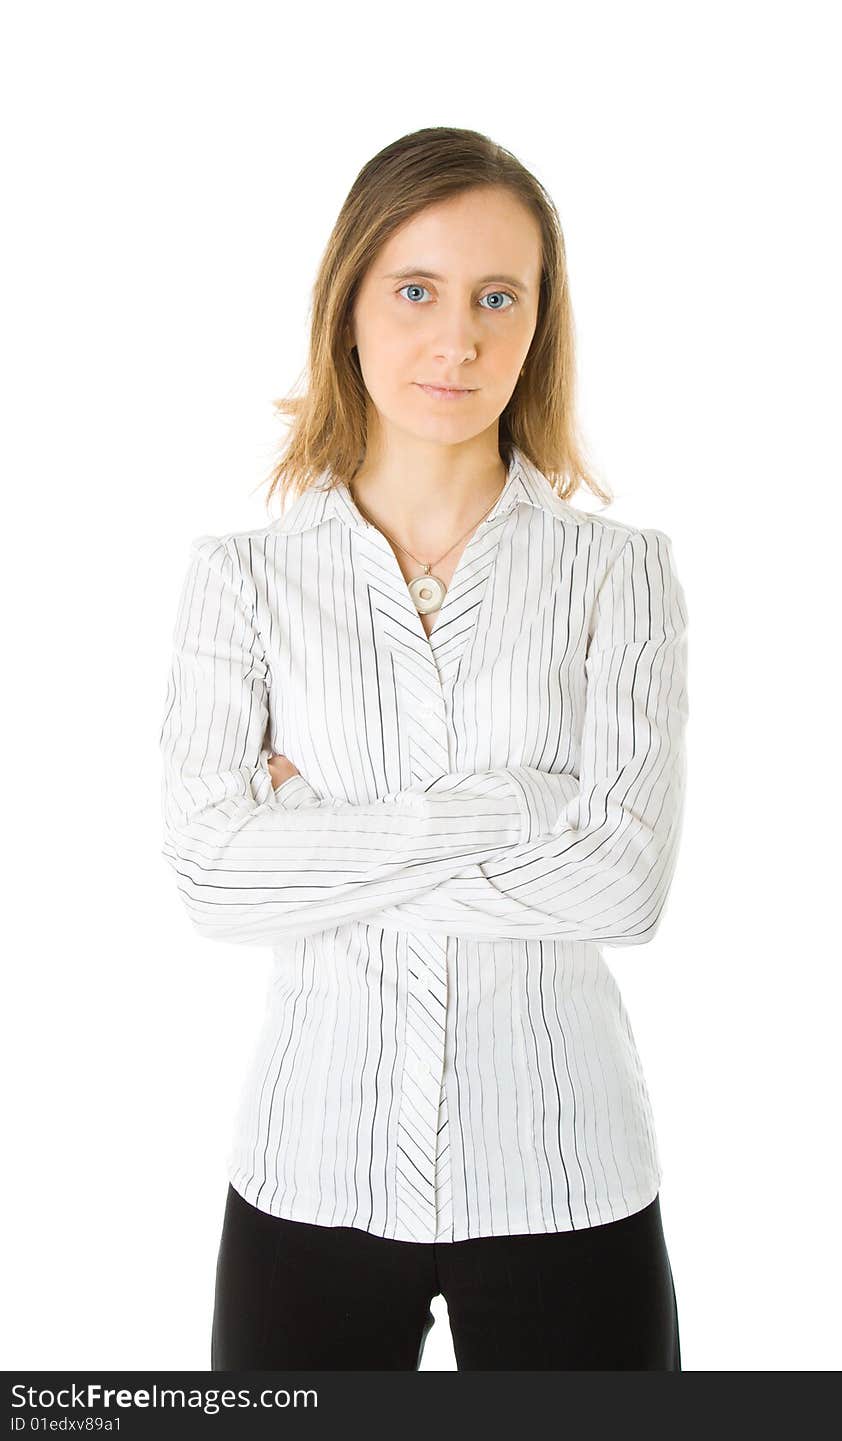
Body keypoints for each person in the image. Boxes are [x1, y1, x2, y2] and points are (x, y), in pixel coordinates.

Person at [159, 126, 689, 1371]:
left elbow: (624, 885)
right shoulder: (242, 583)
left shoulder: (620, 578)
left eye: (496, 297)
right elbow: (211, 878)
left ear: (536, 326)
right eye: (417, 290)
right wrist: (514, 803)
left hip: (566, 1175)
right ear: (348, 305)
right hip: (308, 1171)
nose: (457, 339)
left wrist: (317, 830)